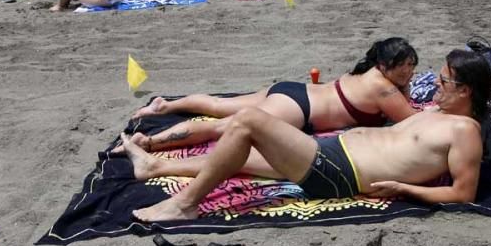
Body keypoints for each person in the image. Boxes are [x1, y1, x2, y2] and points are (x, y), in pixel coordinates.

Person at [123, 49, 491, 222]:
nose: (436, 85)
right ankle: (155, 165)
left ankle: (185, 205)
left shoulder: (465, 131)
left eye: (443, 81)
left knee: (248, 122)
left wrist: (405, 189)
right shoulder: (439, 112)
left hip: (340, 173)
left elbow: (464, 193)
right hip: (331, 152)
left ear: (465, 91)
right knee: (238, 157)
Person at [128, 37, 420, 151]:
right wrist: (405, 91)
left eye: (412, 67)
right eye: (404, 67)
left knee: (220, 105)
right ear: (384, 65)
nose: (409, 72)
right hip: (298, 110)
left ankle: (165, 106)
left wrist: (402, 86)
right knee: (221, 127)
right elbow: (412, 121)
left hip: (290, 90)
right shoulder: (383, 88)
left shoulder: (365, 72)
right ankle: (150, 142)